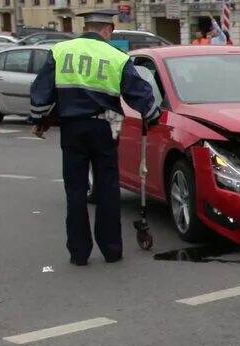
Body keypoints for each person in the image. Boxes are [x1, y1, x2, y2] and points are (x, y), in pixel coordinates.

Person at [29, 9, 162, 266]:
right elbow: (138, 92)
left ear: (86, 26)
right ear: (108, 30)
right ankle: (111, 250)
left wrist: (38, 120)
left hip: (72, 129)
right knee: (108, 190)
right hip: (104, 129)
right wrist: (152, 115)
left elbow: (42, 89)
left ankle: (79, 253)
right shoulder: (116, 57)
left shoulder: (60, 51)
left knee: (76, 192)